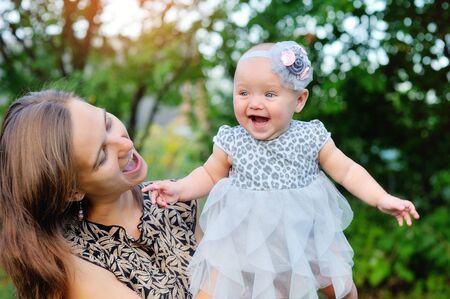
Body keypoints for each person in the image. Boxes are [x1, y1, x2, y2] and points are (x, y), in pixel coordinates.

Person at [142, 41, 420, 299]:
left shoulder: (310, 137)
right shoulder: (232, 140)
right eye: (243, 92)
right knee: (212, 289)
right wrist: (179, 188)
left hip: (305, 234)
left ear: (299, 100)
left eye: (270, 93)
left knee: (341, 286)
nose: (254, 102)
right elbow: (209, 174)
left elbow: (347, 171)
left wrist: (381, 198)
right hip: (243, 238)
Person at [0, 90, 197, 299]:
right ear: (72, 191)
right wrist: (223, 255)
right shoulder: (75, 266)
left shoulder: (175, 199)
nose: (127, 145)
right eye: (102, 155)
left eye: (108, 123)